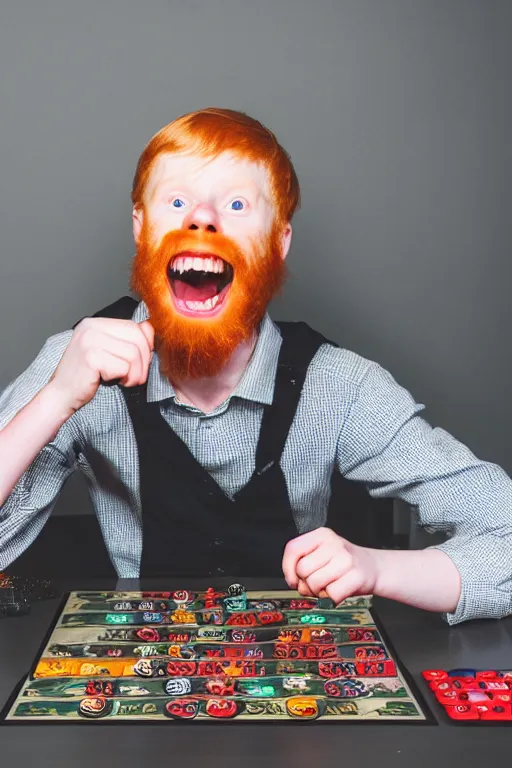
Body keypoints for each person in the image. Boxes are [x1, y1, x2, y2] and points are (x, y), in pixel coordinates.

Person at [0, 108, 510, 625]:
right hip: (144, 672)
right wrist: (53, 401)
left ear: (278, 242)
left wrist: (376, 568)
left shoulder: (339, 385)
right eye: (177, 201)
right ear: (141, 228)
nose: (202, 220)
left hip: (299, 672)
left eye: (238, 204)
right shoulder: (74, 365)